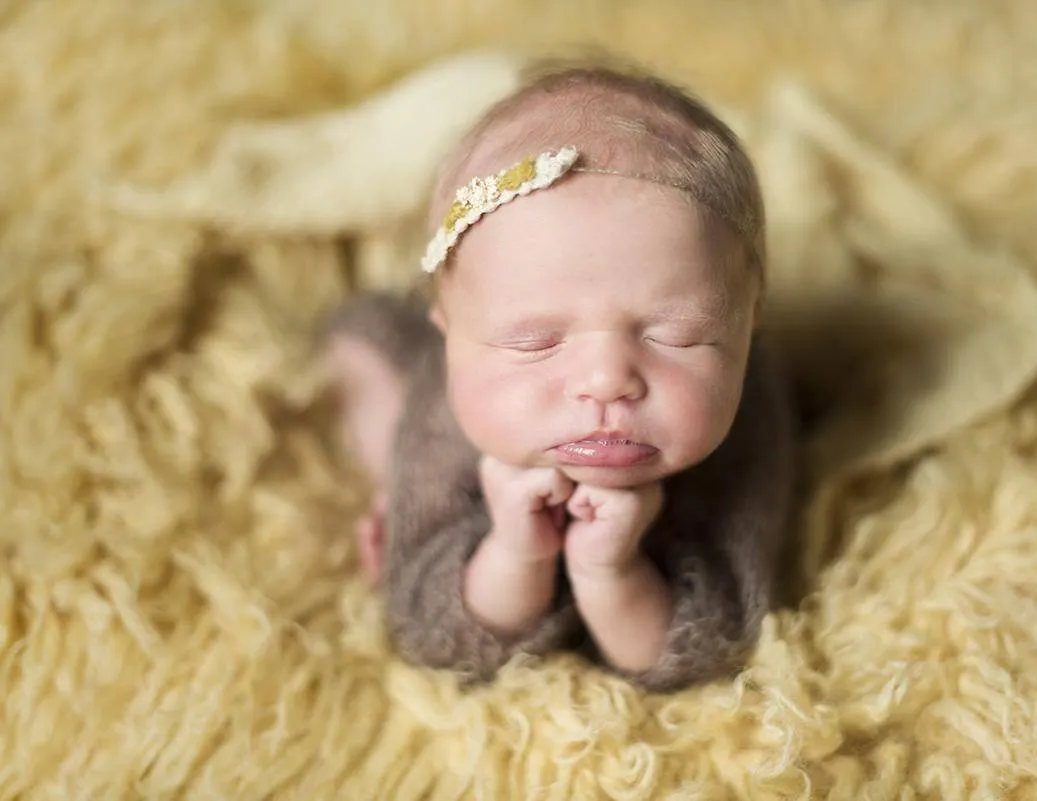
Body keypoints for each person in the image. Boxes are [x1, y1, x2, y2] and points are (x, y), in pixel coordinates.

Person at [322, 61, 795, 693]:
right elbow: (431, 637)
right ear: (452, 335)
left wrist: (613, 574)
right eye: (535, 341)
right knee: (363, 342)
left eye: (674, 334)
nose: (606, 381)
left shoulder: (745, 419)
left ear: (746, 326)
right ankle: (396, 469)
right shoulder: (451, 404)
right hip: (450, 424)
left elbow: (716, 645)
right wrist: (514, 555)